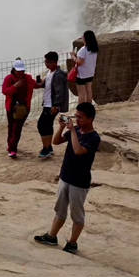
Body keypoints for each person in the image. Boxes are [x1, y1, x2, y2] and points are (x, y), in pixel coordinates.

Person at [34, 102, 101, 254]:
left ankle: (72, 242)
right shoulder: (75, 129)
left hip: (79, 182)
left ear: (90, 119)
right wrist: (61, 127)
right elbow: (56, 141)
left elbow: (78, 151)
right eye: (76, 116)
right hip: (65, 176)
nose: (77, 120)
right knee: (60, 209)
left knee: (77, 214)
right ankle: (52, 236)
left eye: (80, 117)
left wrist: (72, 131)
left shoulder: (93, 138)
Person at [34, 51, 69, 159]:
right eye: (45, 62)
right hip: (48, 104)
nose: (46, 64)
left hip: (51, 105)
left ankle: (46, 148)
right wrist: (39, 83)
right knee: (47, 125)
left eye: (48, 62)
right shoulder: (50, 73)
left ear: (54, 62)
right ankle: (48, 147)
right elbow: (47, 85)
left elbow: (60, 92)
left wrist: (56, 105)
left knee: (41, 125)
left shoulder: (58, 75)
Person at [1, 58, 36, 159]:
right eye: (18, 70)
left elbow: (35, 85)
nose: (20, 72)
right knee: (11, 127)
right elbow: (5, 91)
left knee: (17, 128)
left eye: (22, 70)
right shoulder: (9, 79)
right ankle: (11, 146)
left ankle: (13, 149)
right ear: (14, 70)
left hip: (24, 108)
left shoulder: (28, 78)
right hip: (11, 107)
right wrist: (15, 86)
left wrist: (42, 82)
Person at [72, 30, 99, 104]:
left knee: (81, 93)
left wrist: (73, 56)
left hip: (81, 75)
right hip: (90, 73)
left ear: (86, 38)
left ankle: (81, 110)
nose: (82, 38)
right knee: (89, 91)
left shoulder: (83, 50)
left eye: (83, 37)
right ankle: (88, 108)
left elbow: (79, 62)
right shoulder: (95, 48)